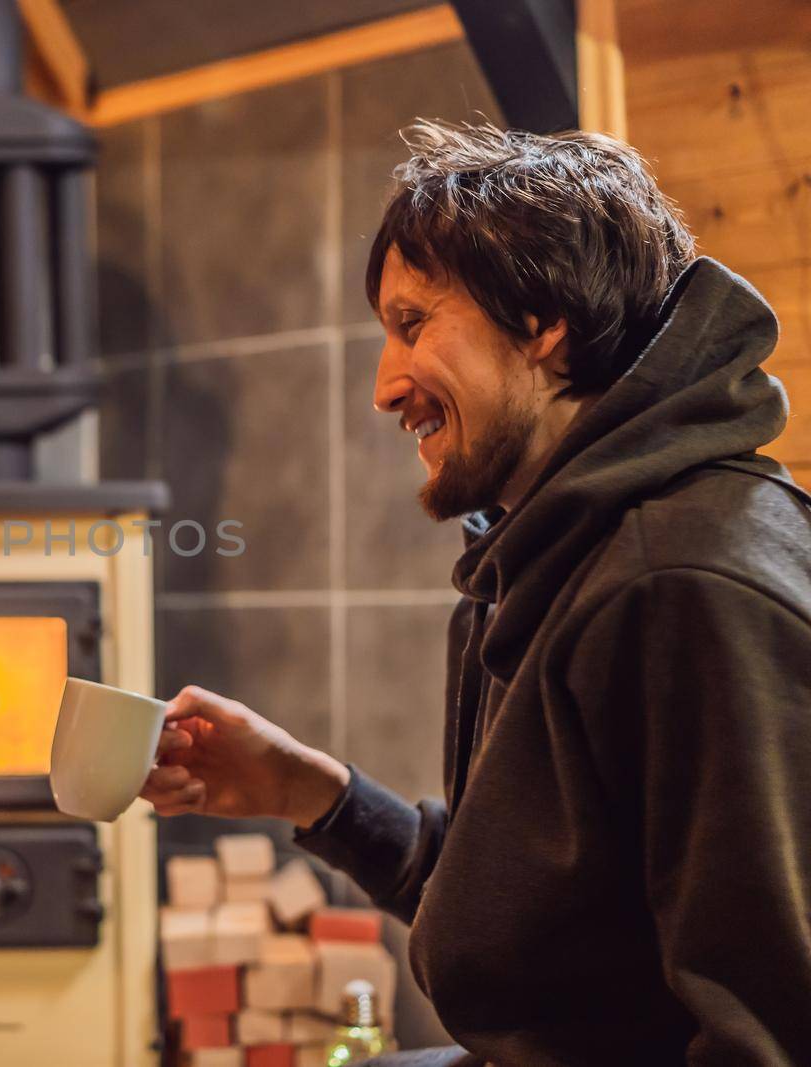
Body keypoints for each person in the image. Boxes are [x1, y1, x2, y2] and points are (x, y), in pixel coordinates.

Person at [141, 121, 811, 1065]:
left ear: (542, 320)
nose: (383, 387)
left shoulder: (682, 582)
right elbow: (536, 936)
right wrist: (307, 790)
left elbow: (773, 1034)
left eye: (414, 324)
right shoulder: (553, 555)